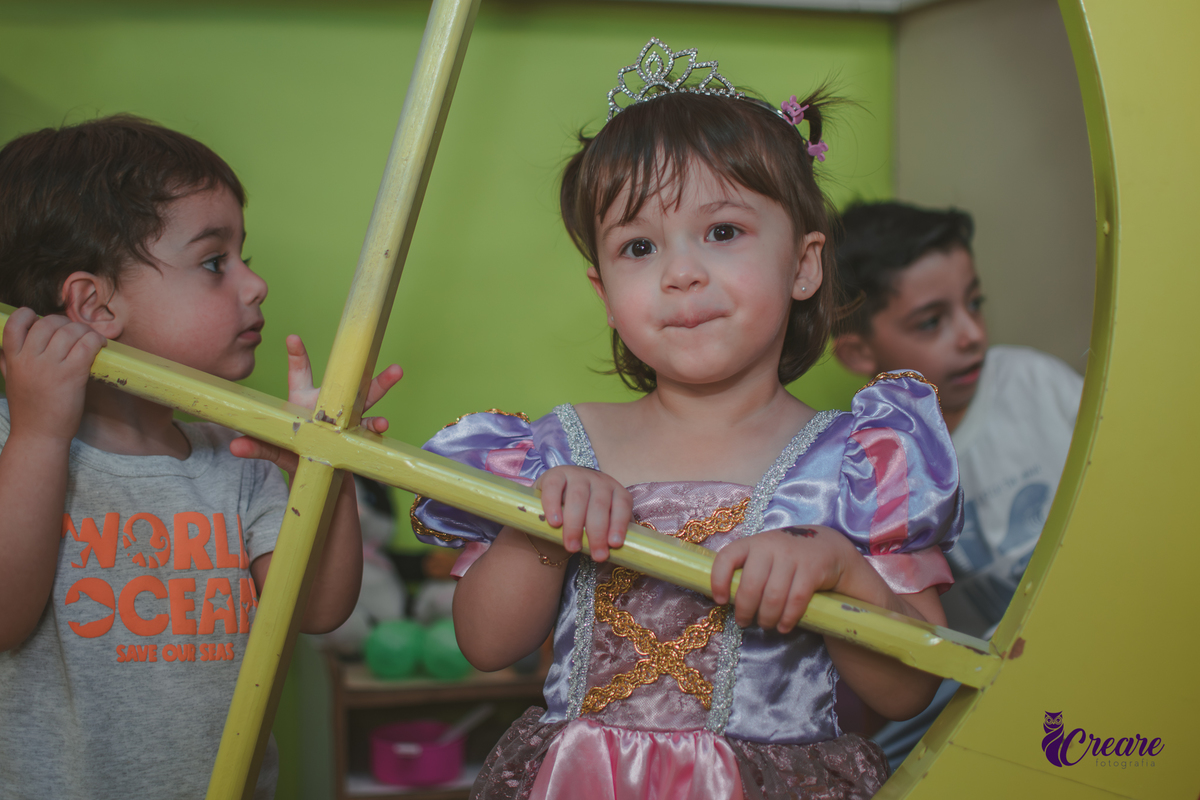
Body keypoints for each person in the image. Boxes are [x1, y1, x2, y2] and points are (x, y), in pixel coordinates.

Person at [409, 40, 963, 799]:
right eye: (639, 247)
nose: (680, 273)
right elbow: (485, 643)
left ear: (804, 265)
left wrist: (842, 571)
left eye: (723, 232)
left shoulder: (860, 460)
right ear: (604, 292)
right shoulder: (558, 446)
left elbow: (910, 692)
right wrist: (538, 526)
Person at [0, 115, 400, 799]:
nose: (255, 285)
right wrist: (38, 433)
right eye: (216, 262)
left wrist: (322, 471)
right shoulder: (17, 443)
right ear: (93, 306)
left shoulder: (236, 456)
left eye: (245, 256)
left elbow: (319, 609)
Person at [832, 200, 1083, 770]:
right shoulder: (872, 464)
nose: (971, 334)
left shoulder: (1035, 385)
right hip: (987, 703)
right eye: (931, 321)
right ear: (859, 351)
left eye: (975, 303)